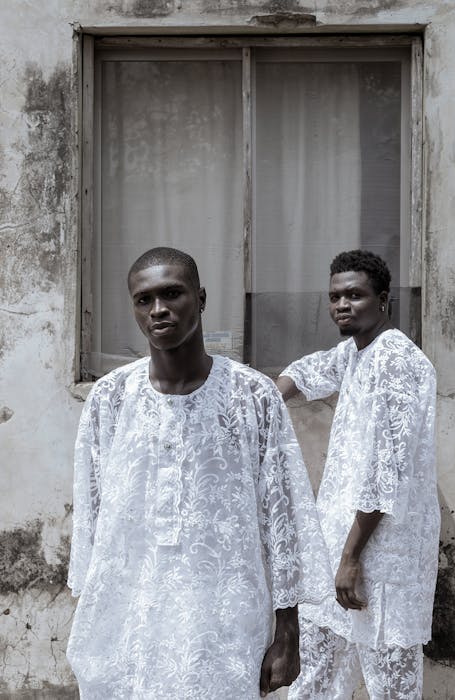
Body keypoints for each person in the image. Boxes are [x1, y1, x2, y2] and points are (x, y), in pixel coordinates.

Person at [66, 246, 333, 699]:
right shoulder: (111, 398)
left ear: (202, 298)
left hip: (225, 619)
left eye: (172, 294)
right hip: (133, 616)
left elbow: (284, 517)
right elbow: (91, 517)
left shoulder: (253, 397)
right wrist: (88, 615)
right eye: (144, 300)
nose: (159, 310)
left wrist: (288, 633)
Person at [277, 250, 440, 700]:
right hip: (342, 542)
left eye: (355, 295)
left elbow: (385, 474)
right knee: (316, 673)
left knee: (388, 679)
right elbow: (307, 373)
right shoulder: (354, 352)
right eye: (334, 297)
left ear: (383, 299)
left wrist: (351, 558)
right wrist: (261, 403)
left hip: (382, 551)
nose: (342, 305)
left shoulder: (397, 363)